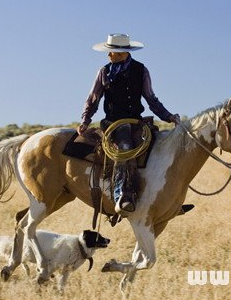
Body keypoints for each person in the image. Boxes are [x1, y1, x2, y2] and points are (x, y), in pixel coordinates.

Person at [77, 33, 180, 216]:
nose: (109, 55)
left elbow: (151, 98)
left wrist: (168, 116)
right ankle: (122, 195)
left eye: (112, 52)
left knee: (162, 147)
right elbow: (93, 98)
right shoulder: (104, 72)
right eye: (109, 52)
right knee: (124, 148)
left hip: (137, 122)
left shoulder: (141, 70)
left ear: (123, 52)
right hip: (114, 123)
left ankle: (167, 200)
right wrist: (85, 120)